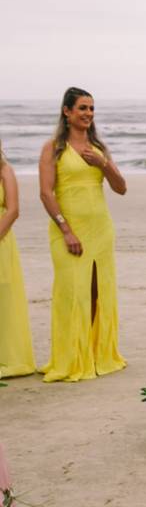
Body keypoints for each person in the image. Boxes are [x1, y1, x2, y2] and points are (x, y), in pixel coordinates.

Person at [38, 87, 127, 383]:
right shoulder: (53, 148)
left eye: (91, 108)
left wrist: (103, 164)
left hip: (101, 229)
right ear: (67, 111)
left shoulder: (98, 147)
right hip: (68, 231)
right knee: (70, 293)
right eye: (82, 108)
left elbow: (121, 187)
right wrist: (66, 230)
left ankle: (95, 354)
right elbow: (46, 193)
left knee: (96, 291)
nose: (88, 113)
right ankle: (70, 358)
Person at [0, 139, 37, 378]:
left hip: (1, 238)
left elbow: (13, 210)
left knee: (4, 296)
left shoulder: (5, 171)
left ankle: (9, 358)